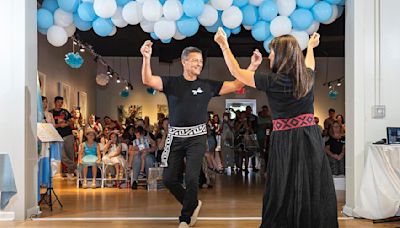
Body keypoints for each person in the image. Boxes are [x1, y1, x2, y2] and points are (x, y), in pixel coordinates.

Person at [214, 28, 338, 227]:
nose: (269, 57)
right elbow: (309, 64)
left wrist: (224, 45)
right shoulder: (307, 77)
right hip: (309, 137)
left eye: (271, 53)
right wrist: (312, 48)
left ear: (281, 56)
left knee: (283, 185)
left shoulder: (272, 81)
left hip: (285, 139)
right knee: (311, 183)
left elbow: (236, 72)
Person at [140, 40, 261, 228]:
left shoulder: (207, 85)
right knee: (169, 179)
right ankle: (193, 204)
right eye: (195, 60)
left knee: (191, 177)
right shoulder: (171, 82)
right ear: (184, 62)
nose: (199, 64)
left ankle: (186, 217)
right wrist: (146, 58)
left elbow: (236, 83)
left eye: (201, 61)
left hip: (197, 137)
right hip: (175, 137)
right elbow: (148, 80)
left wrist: (252, 66)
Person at [50, 96, 76, 180]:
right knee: (62, 155)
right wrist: (59, 125)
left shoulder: (65, 112)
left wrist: (67, 123)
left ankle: (70, 172)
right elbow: (50, 125)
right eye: (58, 102)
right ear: (55, 102)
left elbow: (72, 121)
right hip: (58, 137)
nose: (60, 104)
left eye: (61, 102)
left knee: (70, 154)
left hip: (68, 135)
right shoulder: (51, 113)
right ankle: (75, 166)